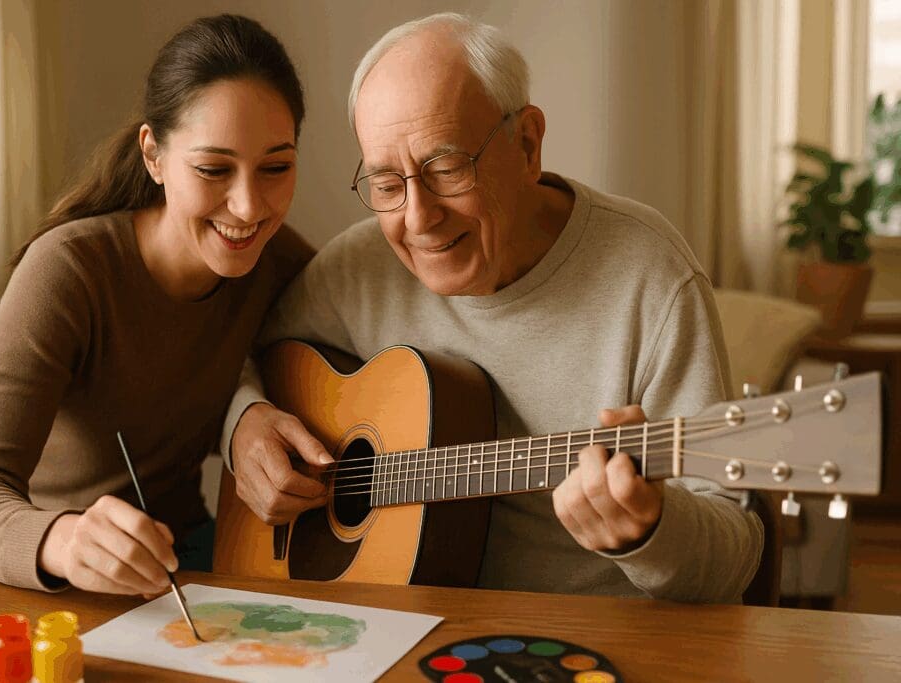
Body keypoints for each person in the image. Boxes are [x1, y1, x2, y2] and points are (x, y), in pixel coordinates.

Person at [221, 13, 763, 603]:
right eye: (385, 184)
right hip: (398, 628)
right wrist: (243, 425)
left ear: (526, 144)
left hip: (586, 643)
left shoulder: (650, 276)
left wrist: (652, 530)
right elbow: (238, 361)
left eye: (447, 168)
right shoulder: (359, 268)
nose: (418, 218)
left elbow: (734, 553)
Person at [0, 15, 322, 595]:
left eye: (276, 167)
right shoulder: (68, 270)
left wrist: (249, 409)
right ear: (154, 155)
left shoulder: (279, 262)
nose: (248, 207)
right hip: (31, 568)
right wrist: (63, 541)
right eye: (213, 169)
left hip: (182, 555)